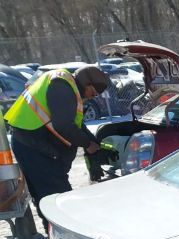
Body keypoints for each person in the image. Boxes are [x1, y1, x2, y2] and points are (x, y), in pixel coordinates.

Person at [4, 65, 109, 229]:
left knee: (47, 195)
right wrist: (88, 145)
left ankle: (54, 233)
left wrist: (91, 140)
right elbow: (63, 126)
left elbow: (75, 124)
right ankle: (63, 236)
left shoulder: (64, 82)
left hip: (30, 141)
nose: (91, 97)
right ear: (87, 84)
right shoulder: (62, 87)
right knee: (56, 196)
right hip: (32, 145)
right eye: (93, 93)